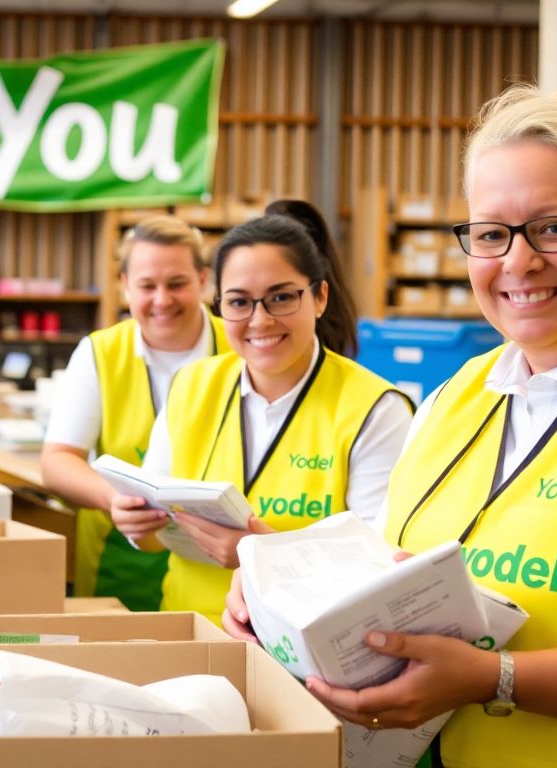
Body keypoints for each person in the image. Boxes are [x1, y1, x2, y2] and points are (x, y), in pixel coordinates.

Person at [227, 71, 557, 767]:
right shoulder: (457, 395)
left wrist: (497, 680)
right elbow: (391, 558)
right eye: (492, 234)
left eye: (555, 228)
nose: (518, 261)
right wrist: (281, 592)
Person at [114, 201, 412, 625]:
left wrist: (259, 552)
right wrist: (134, 525)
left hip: (304, 655)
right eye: (239, 302)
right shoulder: (191, 386)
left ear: (320, 296)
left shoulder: (375, 409)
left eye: (281, 298)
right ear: (219, 307)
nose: (260, 320)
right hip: (192, 635)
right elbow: (153, 535)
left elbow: (379, 569)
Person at [40, 216, 228, 612]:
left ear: (203, 280)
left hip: (221, 569)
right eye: (147, 286)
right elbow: (57, 461)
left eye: (176, 283)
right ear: (125, 286)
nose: (162, 300)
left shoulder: (240, 346)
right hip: (120, 560)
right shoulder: (100, 353)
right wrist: (114, 499)